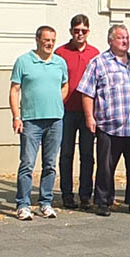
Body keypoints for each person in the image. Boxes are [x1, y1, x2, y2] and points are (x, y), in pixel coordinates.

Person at [78, 24, 130, 217]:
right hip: (110, 127)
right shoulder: (98, 62)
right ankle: (103, 201)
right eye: (120, 38)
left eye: (126, 37)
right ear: (110, 40)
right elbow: (86, 92)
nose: (125, 41)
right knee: (106, 167)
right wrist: (89, 117)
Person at [10, 25, 68, 221]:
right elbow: (14, 90)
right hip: (31, 120)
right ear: (37, 40)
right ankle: (23, 204)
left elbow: (65, 85)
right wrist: (16, 116)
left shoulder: (60, 62)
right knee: (27, 163)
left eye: (52, 40)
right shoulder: (23, 61)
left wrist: (57, 102)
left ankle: (45, 202)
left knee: (50, 164)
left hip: (55, 120)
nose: (50, 43)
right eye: (46, 40)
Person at [55, 14, 99, 211]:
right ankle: (66, 195)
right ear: (71, 31)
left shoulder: (95, 53)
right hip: (65, 111)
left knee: (87, 154)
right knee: (66, 154)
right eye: (76, 30)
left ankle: (85, 196)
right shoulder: (61, 52)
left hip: (88, 112)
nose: (80, 33)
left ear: (88, 31)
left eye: (84, 30)